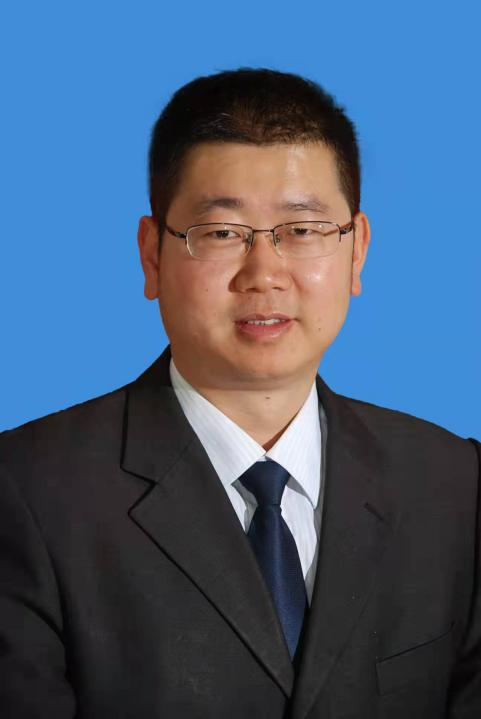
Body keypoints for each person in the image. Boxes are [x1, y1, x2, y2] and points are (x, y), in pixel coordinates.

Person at [0, 67, 479, 719]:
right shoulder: (27, 492)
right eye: (222, 233)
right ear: (152, 255)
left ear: (357, 250)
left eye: (302, 230)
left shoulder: (455, 486)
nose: (264, 273)